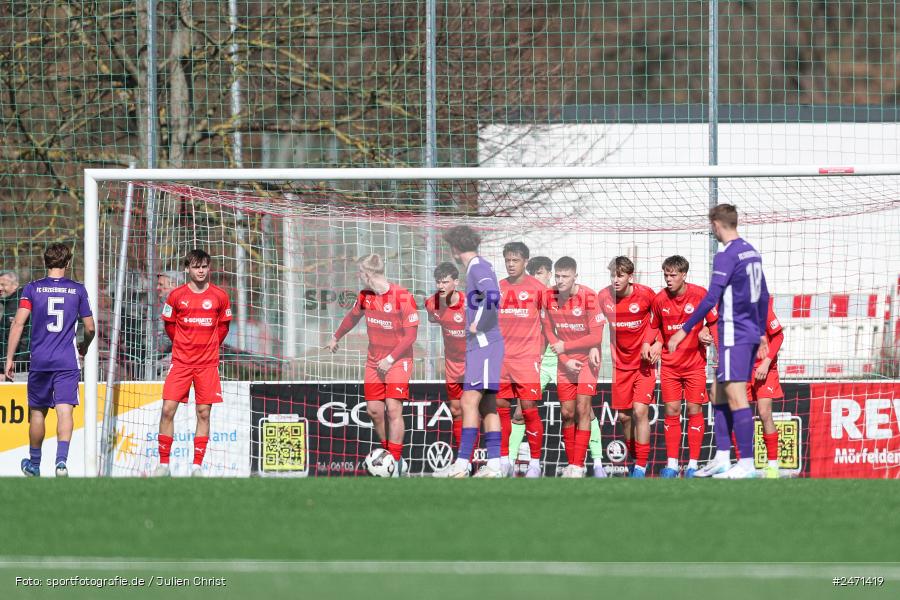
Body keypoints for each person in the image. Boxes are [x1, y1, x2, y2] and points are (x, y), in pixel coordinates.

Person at [669, 203, 770, 479]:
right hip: (748, 331)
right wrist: (760, 331)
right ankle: (723, 458)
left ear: (716, 224)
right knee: (718, 393)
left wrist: (683, 330)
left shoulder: (727, 254)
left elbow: (711, 297)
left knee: (736, 396)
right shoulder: (752, 251)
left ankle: (747, 464)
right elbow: (764, 294)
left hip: (733, 333)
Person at [4, 244, 95, 477]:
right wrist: (84, 345)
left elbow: (18, 323)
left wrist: (10, 359)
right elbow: (90, 327)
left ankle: (34, 465)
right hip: (67, 361)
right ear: (68, 263)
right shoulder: (78, 290)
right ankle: (61, 463)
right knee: (65, 411)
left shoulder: (32, 289)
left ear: (45, 262)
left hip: (40, 361)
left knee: (37, 413)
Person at [327, 254, 419, 476]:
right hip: (373, 360)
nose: (358, 276)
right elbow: (352, 317)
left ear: (367, 275)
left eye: (360, 273)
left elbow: (411, 336)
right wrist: (335, 337)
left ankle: (394, 464)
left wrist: (390, 359)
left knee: (393, 408)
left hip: (398, 361)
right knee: (374, 411)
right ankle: (389, 456)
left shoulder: (403, 296)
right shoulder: (365, 296)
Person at [434, 225, 505, 478]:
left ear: (455, 247)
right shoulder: (477, 265)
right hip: (484, 345)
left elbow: (494, 296)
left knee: (468, 401)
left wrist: (479, 323)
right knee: (487, 405)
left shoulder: (477, 266)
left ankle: (462, 465)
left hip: (485, 344)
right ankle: (494, 466)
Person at [155, 249, 232, 477]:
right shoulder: (176, 296)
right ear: (187, 269)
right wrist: (182, 343)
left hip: (207, 365)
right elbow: (169, 324)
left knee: (204, 413)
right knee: (168, 410)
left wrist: (210, 346)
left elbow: (224, 326)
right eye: (196, 266)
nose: (200, 270)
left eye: (204, 266)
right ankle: (164, 465)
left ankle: (197, 466)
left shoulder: (220, 296)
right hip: (181, 363)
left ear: (209, 268)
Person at [648, 255, 718, 478]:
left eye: (673, 275)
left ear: (684, 274)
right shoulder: (659, 300)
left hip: (695, 364)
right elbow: (654, 327)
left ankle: (693, 465)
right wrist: (654, 343)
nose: (668, 279)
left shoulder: (699, 294)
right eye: (666, 275)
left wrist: (707, 332)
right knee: (672, 411)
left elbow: (714, 321)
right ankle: (671, 464)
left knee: (695, 410)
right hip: (669, 365)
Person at [596, 256, 658, 478]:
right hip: (619, 366)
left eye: (619, 275)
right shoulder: (604, 297)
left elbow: (660, 319)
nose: (615, 279)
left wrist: (657, 344)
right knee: (624, 418)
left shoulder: (646, 294)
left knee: (640, 411)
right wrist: (594, 347)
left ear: (630, 277)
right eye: (612, 275)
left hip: (644, 365)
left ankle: (641, 467)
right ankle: (635, 461)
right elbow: (594, 324)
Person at [543, 256, 605, 478]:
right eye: (557, 276)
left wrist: (567, 346)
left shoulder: (589, 296)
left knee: (582, 409)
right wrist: (564, 358)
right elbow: (548, 328)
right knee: (567, 413)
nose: (560, 280)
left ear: (575, 276)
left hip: (588, 360)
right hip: (565, 361)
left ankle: (578, 466)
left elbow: (596, 335)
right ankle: (571, 464)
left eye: (565, 276)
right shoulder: (548, 296)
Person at [496, 242, 546, 478]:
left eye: (515, 260)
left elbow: (549, 323)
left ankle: (535, 463)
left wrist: (543, 350)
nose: (510, 264)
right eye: (507, 260)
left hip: (527, 359)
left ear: (526, 261)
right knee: (501, 408)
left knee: (528, 409)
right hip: (501, 360)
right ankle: (504, 460)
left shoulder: (538, 289)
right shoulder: (498, 288)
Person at [424, 262, 467, 450]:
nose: (441, 286)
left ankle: (491, 460)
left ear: (456, 282)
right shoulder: (431, 304)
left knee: (479, 410)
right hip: (452, 364)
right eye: (438, 282)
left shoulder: (470, 305)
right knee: (456, 410)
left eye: (445, 282)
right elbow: (433, 318)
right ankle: (463, 462)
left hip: (474, 362)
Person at [746, 296, 784, 479]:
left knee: (764, 412)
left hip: (764, 368)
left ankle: (772, 466)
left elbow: (778, 335)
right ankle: (744, 465)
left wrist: (766, 362)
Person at [1, 270, 30, 374]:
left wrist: (3, 367)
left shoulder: (17, 304)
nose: (0, 288)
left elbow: (17, 337)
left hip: (18, 367)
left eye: (3, 285)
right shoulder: (8, 302)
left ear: (15, 285)